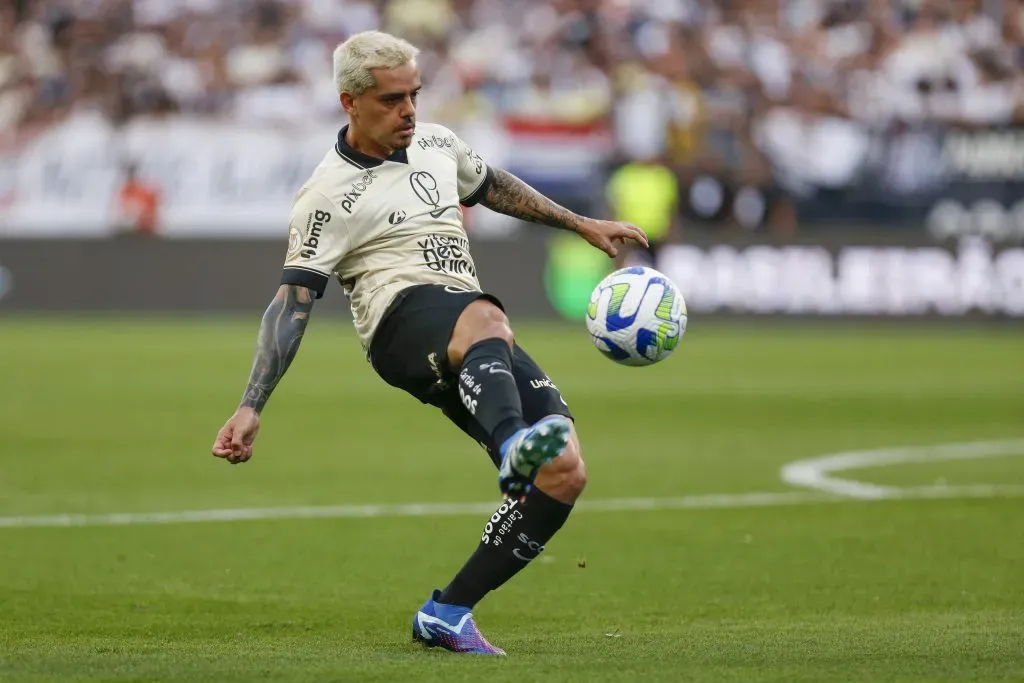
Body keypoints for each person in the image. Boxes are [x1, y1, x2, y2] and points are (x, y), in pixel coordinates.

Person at [210, 30, 647, 656]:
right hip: (398, 324)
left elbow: (491, 184)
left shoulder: (436, 143)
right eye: (392, 100)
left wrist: (580, 224)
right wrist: (253, 402)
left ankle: (447, 611)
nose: (409, 111)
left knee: (565, 472)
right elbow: (293, 302)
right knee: (486, 318)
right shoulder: (326, 195)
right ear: (350, 102)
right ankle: (512, 445)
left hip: (467, 336)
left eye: (414, 94)